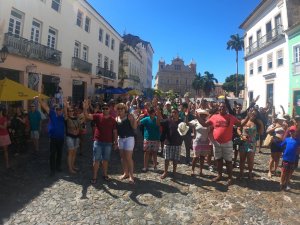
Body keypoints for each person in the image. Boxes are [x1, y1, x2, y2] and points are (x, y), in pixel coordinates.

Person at [197, 102, 249, 186]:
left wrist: (248, 117)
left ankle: (230, 177)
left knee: (228, 161)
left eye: (223, 107)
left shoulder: (231, 117)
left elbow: (240, 124)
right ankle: (219, 175)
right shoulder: (214, 117)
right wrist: (197, 117)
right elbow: (204, 124)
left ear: (226, 108)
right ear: (218, 108)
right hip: (216, 143)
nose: (222, 108)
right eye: (220, 107)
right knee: (218, 160)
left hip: (227, 142)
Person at [83, 101, 117, 184]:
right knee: (96, 160)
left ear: (109, 109)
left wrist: (115, 142)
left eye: (106, 108)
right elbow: (87, 116)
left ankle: (105, 175)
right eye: (103, 108)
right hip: (98, 142)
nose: (105, 110)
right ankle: (94, 177)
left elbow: (115, 132)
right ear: (102, 109)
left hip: (108, 143)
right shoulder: (98, 116)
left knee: (106, 160)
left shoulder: (113, 120)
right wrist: (85, 108)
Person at [37, 96, 65, 176]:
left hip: (61, 139)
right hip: (53, 138)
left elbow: (67, 111)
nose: (59, 111)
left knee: (60, 153)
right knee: (52, 154)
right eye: (58, 110)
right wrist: (39, 99)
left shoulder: (63, 116)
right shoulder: (52, 114)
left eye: (60, 110)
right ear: (56, 110)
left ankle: (58, 167)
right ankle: (52, 170)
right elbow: (45, 107)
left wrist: (66, 105)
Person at [237, 109, 263, 179]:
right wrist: (241, 136)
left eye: (255, 115)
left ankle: (250, 173)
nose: (253, 115)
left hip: (251, 143)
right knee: (242, 159)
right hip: (243, 142)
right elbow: (238, 129)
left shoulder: (257, 122)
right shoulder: (243, 121)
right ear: (249, 113)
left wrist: (261, 123)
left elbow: (261, 133)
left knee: (250, 160)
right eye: (252, 114)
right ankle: (241, 173)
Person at [115, 103, 137, 184]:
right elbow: (116, 131)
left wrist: (134, 119)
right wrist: (115, 141)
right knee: (123, 157)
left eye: (122, 108)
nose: (120, 110)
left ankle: (131, 176)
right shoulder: (116, 118)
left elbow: (134, 127)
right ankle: (125, 173)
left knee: (128, 157)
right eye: (119, 109)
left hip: (129, 138)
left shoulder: (129, 116)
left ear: (125, 109)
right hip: (120, 139)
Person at [160, 108, 183, 179]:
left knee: (175, 159)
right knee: (166, 159)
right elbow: (159, 123)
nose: (174, 114)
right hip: (168, 143)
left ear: (178, 113)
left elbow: (185, 130)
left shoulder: (181, 122)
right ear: (171, 113)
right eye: (173, 112)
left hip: (177, 143)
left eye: (175, 112)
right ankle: (165, 172)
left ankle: (174, 172)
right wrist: (158, 115)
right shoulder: (168, 121)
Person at [138, 107, 162, 172]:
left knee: (154, 153)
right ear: (149, 113)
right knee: (146, 153)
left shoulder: (157, 119)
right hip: (147, 138)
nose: (152, 114)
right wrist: (139, 118)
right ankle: (145, 167)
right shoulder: (146, 119)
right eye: (150, 112)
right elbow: (138, 123)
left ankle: (155, 167)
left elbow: (159, 124)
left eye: (153, 112)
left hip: (156, 138)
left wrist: (159, 114)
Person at [190, 109, 212, 176]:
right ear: (199, 115)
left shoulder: (208, 122)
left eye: (204, 114)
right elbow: (187, 124)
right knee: (195, 157)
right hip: (197, 141)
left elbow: (211, 130)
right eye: (201, 114)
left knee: (202, 157)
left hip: (205, 142)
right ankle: (192, 170)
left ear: (206, 115)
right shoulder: (195, 121)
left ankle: (201, 171)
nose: (202, 115)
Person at [279, 126, 300, 190]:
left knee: (289, 173)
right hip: (285, 158)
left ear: (296, 132)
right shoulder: (287, 139)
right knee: (283, 172)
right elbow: (281, 145)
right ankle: (281, 183)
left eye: (294, 131)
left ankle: (285, 183)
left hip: (293, 159)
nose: (292, 132)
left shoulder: (298, 140)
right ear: (289, 132)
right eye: (291, 131)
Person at [63, 99, 80, 174]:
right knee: (70, 152)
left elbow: (79, 126)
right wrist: (65, 106)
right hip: (69, 137)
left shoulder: (76, 118)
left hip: (76, 137)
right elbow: (66, 114)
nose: (71, 112)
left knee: (74, 152)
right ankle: (70, 168)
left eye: (72, 111)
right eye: (69, 111)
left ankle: (73, 166)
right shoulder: (67, 118)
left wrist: (77, 131)